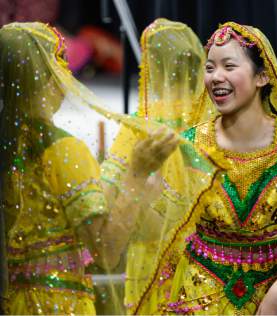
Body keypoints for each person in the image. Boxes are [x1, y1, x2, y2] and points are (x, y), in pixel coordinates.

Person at [125, 21, 277, 315]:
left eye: (229, 66)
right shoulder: (190, 146)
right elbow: (160, 227)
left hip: (268, 300)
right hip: (196, 296)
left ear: (263, 76)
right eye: (209, 68)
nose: (216, 77)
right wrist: (138, 181)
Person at [0, 22, 174, 315]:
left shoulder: (9, 144)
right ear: (49, 75)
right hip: (57, 305)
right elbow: (106, 251)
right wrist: (137, 173)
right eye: (62, 63)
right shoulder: (63, 151)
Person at [99, 17, 208, 312]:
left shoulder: (140, 124)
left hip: (151, 262)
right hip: (207, 260)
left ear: (150, 66)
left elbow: (109, 188)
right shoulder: (213, 121)